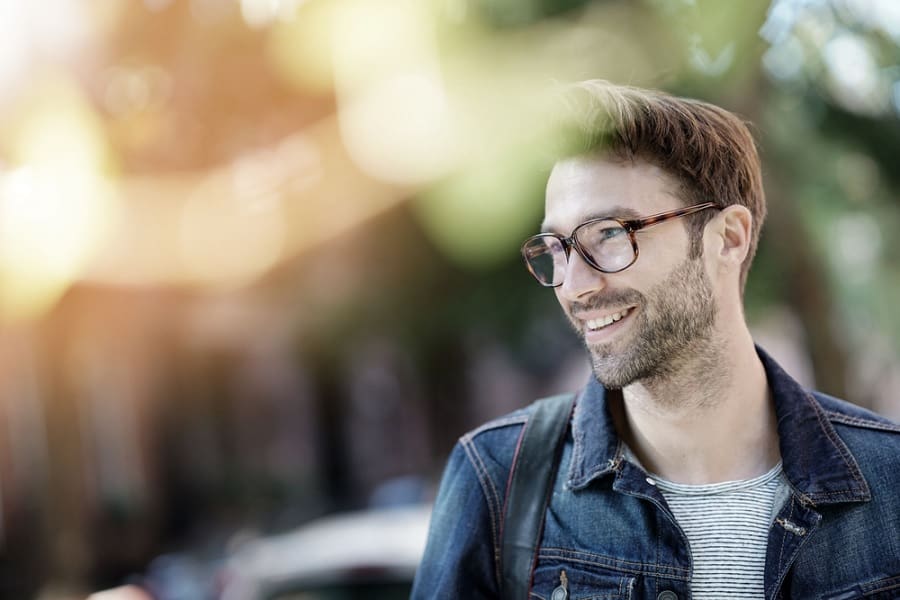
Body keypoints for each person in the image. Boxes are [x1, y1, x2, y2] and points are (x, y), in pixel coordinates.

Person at [411, 81, 900, 599]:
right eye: (558, 247)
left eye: (610, 233)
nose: (575, 286)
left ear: (728, 238)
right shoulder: (497, 480)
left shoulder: (889, 483)